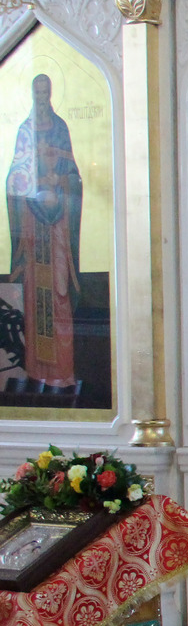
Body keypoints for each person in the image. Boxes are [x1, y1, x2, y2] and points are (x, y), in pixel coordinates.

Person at [5, 74, 83, 394]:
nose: (40, 97)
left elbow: (75, 178)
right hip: (34, 231)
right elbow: (14, 178)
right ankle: (38, 372)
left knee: (59, 297)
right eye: (36, 92)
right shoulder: (24, 131)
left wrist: (60, 185)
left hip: (58, 232)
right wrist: (29, 189)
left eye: (44, 92)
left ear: (50, 94)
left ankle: (62, 374)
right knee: (37, 304)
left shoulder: (61, 128)